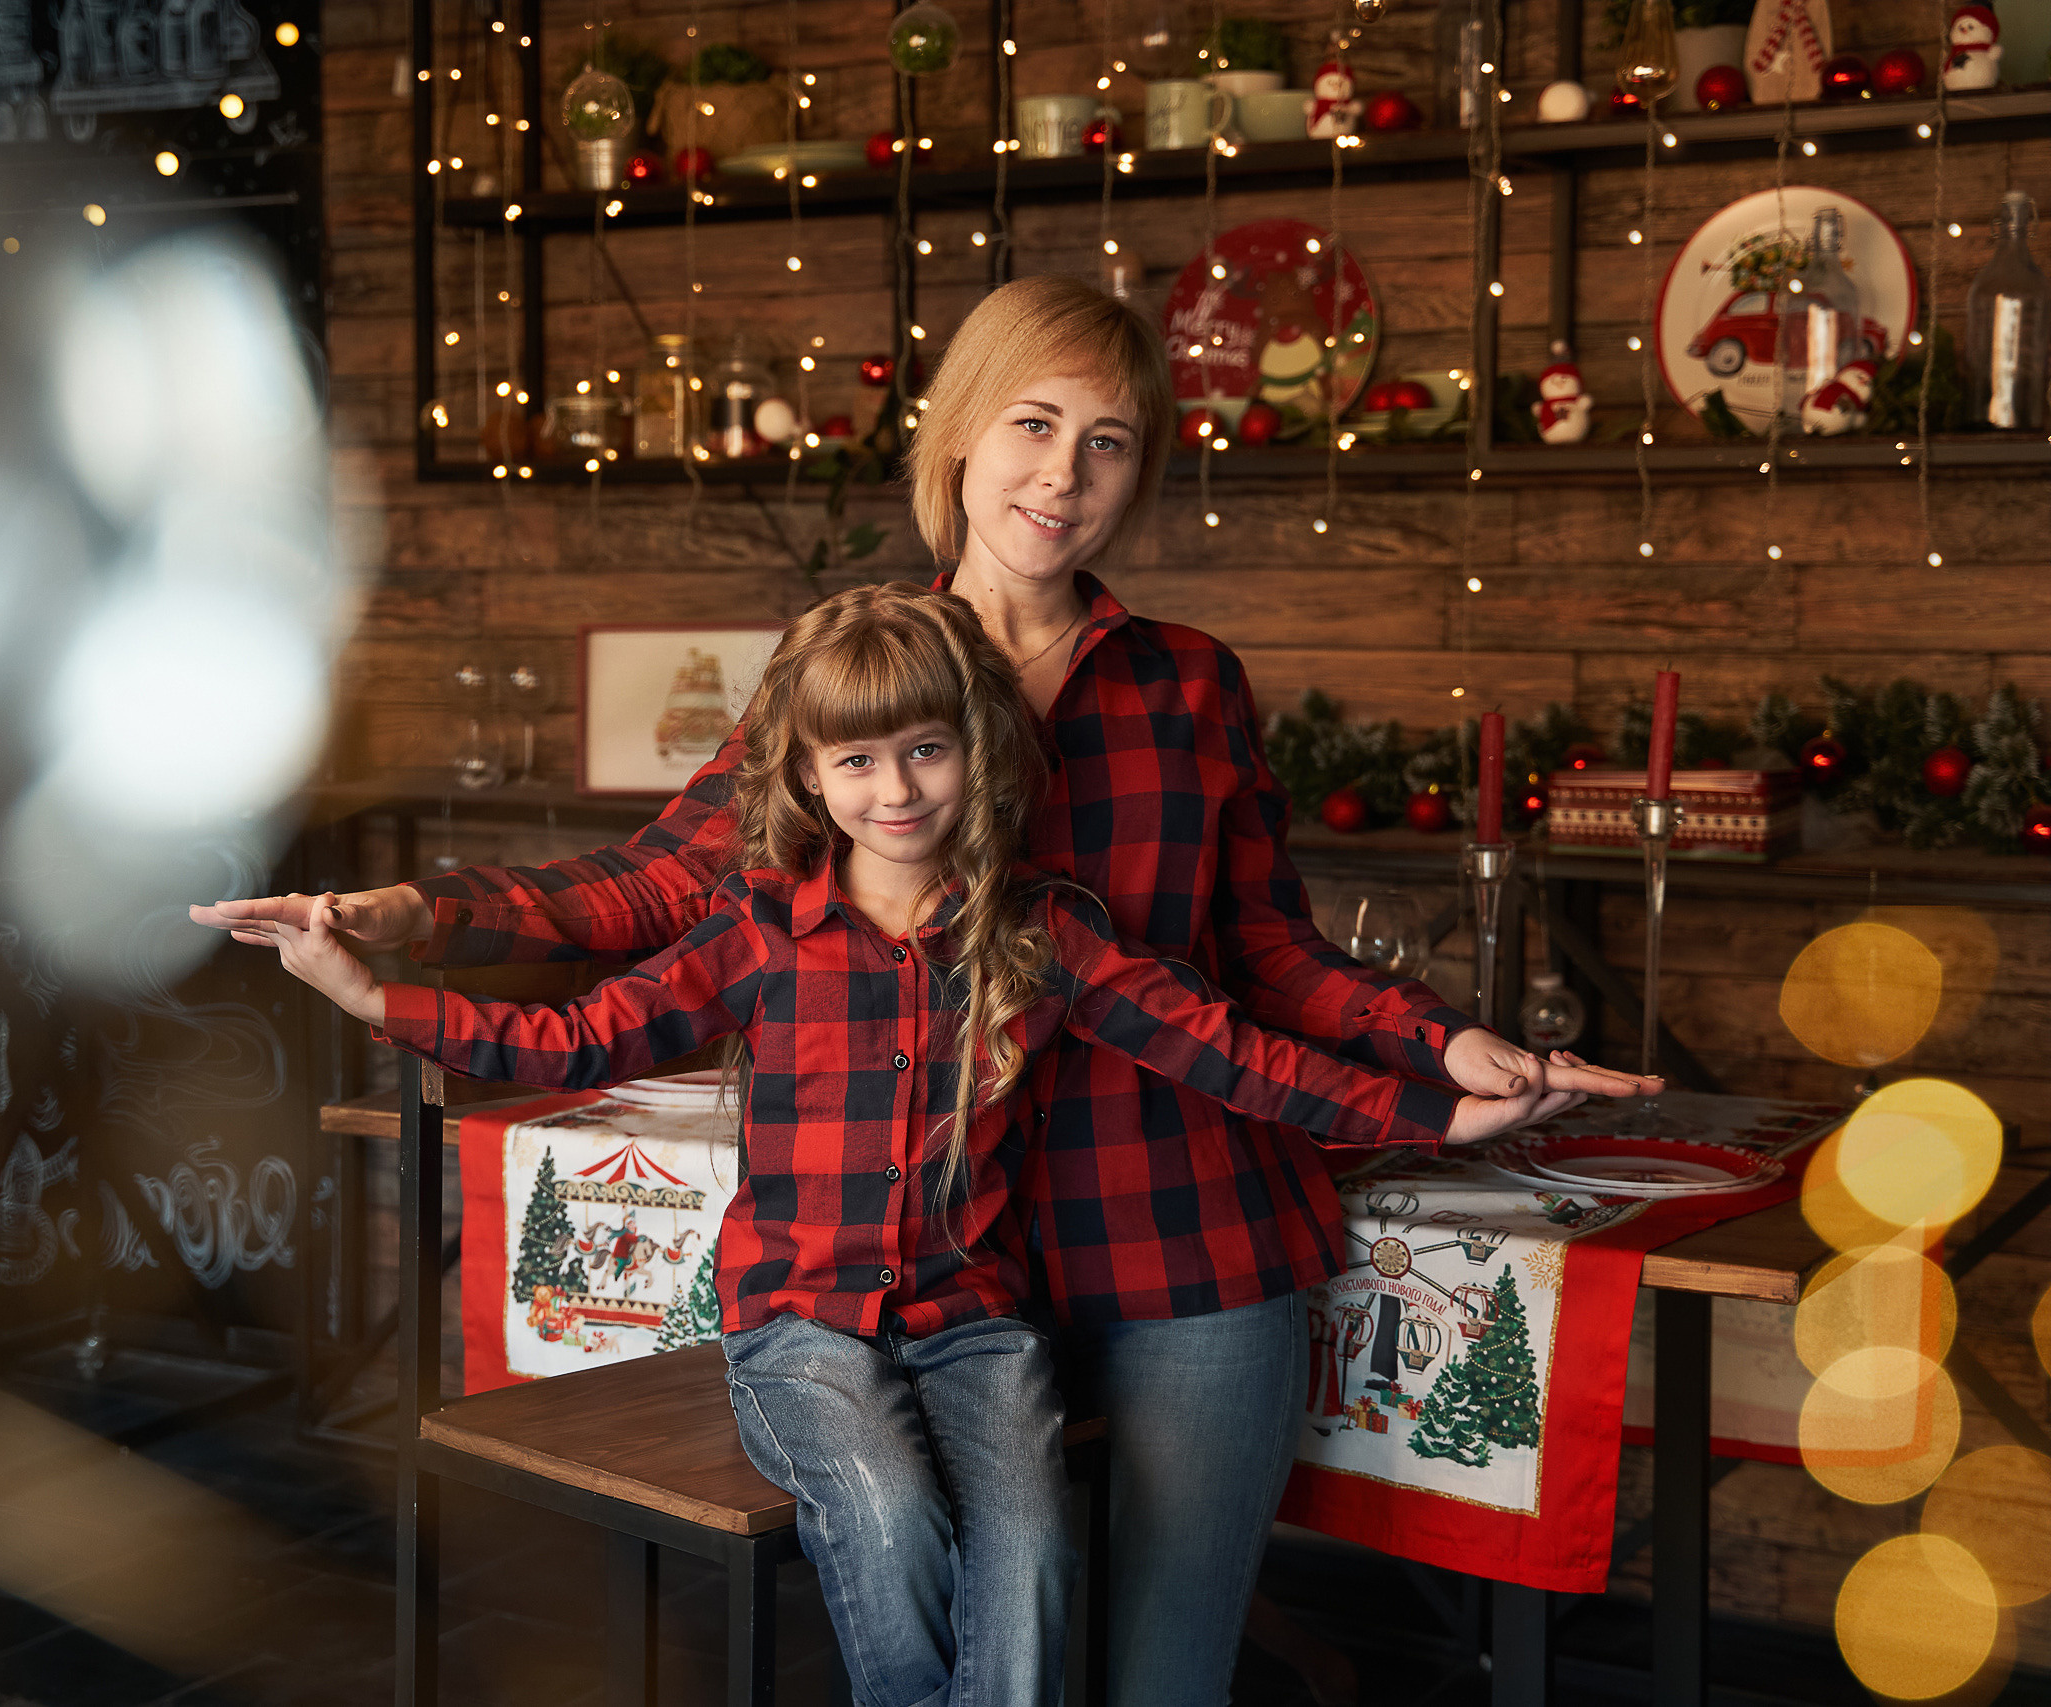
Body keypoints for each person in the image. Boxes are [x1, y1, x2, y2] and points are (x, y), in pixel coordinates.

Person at [197, 278, 1657, 1703]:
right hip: (951, 1266)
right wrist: (410, 914)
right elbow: (660, 886)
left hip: (1187, 1242)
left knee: (1159, 1669)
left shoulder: (1189, 681)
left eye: (1109, 442)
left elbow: (1268, 950)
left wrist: (1444, 1039)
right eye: (1034, 423)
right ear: (959, 433)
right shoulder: (853, 673)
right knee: (983, 1626)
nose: (1064, 475)